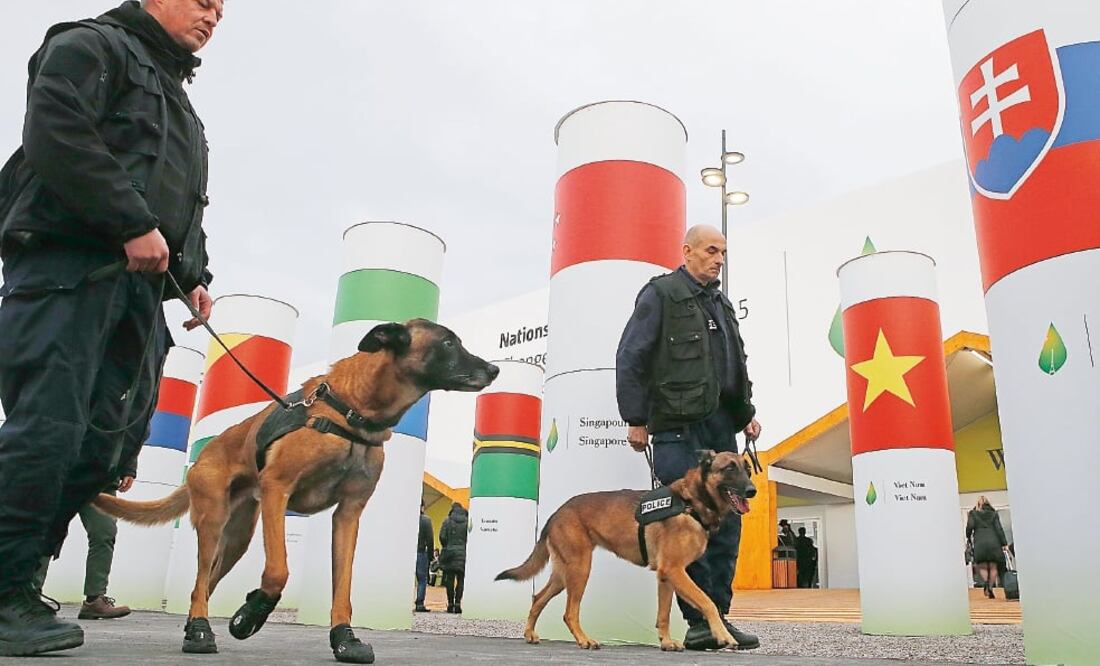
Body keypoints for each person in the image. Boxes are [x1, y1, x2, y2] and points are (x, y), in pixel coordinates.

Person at [0, 0, 222, 655]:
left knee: (105, 449)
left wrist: (196, 273)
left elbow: (179, 204)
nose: (213, 14)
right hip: (69, 271)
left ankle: (17, 582)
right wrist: (127, 219)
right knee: (49, 429)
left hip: (139, 295)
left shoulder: (182, 107)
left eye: (221, 7)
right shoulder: (90, 45)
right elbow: (55, 131)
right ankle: (6, 591)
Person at [616, 224, 762, 651]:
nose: (719, 259)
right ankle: (698, 622)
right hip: (677, 429)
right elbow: (631, 355)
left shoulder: (722, 304)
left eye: (723, 253)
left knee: (728, 525)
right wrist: (636, 418)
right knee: (685, 526)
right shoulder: (660, 294)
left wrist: (747, 415)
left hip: (721, 428)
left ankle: (719, 618)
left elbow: (734, 367)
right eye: (711, 251)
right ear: (688, 252)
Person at [966, 496, 1008, 599]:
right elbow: (999, 529)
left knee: (983, 566)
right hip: (994, 542)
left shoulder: (973, 513)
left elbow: (970, 526)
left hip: (980, 542)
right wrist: (1004, 543)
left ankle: (985, 583)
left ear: (978, 504)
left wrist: (968, 536)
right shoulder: (993, 514)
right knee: (993, 567)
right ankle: (990, 587)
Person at [438, 503, 469, 614]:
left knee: (449, 580)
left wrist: (447, 546)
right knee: (461, 580)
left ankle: (450, 604)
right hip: (463, 554)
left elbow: (442, 536)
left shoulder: (447, 521)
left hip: (450, 554)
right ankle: (458, 603)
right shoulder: (467, 521)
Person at [414, 503, 434, 613]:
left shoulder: (408, 519)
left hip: (408, 552)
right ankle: (420, 603)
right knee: (422, 580)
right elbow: (430, 539)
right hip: (421, 552)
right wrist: (430, 556)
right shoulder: (426, 520)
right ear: (422, 507)